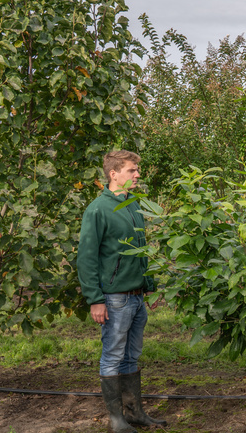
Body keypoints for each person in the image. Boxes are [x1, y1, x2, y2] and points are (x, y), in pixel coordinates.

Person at [77, 150, 167, 433]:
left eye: (137, 170)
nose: (137, 174)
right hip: (114, 299)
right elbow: (87, 257)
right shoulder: (98, 209)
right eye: (131, 170)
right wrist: (95, 299)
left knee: (132, 356)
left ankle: (135, 412)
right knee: (114, 355)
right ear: (113, 174)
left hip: (136, 296)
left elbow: (140, 252)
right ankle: (116, 420)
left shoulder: (133, 204)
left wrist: (148, 288)